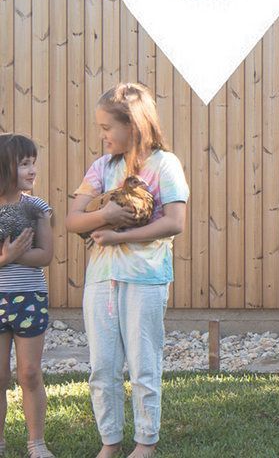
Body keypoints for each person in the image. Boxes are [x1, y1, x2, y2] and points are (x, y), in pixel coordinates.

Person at [66, 83, 188, 458]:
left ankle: (145, 442)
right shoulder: (102, 167)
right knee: (102, 367)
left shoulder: (164, 164)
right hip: (101, 281)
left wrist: (121, 237)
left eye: (107, 127)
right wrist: (105, 216)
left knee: (143, 363)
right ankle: (110, 441)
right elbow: (73, 220)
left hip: (145, 279)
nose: (102, 135)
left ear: (133, 126)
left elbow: (175, 222)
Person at [0, 134, 55, 458]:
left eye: (33, 162)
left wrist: (11, 255)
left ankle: (36, 443)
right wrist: (6, 258)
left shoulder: (37, 208)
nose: (33, 170)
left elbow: (45, 255)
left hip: (30, 298)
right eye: (24, 164)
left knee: (29, 373)